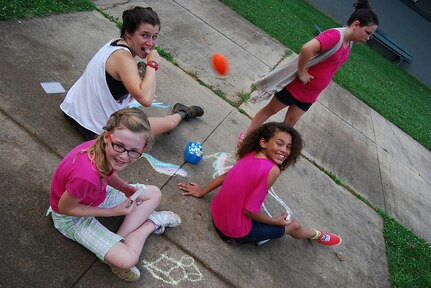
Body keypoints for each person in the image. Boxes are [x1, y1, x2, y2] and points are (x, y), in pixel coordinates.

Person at [49, 108, 181, 282]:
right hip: (70, 218)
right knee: (128, 260)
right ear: (106, 136)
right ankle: (150, 225)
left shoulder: (102, 148)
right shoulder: (86, 176)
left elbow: (107, 172)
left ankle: (119, 239)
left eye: (134, 151)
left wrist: (125, 188)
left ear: (143, 148)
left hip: (95, 195)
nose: (124, 156)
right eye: (119, 146)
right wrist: (112, 211)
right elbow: (63, 208)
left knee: (154, 193)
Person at [178, 122, 341, 246]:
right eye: (279, 143)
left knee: (259, 207)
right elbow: (250, 211)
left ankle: (264, 234)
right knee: (294, 225)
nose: (284, 150)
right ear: (264, 142)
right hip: (232, 233)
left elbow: (227, 176)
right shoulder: (272, 170)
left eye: (289, 147)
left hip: (216, 215)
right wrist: (275, 222)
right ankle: (316, 235)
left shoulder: (250, 153)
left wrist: (202, 191)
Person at [239, 0, 378, 145]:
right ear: (356, 24)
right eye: (367, 32)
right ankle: (246, 138)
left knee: (288, 126)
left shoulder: (349, 43)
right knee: (270, 110)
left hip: (310, 94)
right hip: (296, 87)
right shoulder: (335, 36)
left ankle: (273, 150)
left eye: (371, 35)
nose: (368, 38)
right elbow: (307, 48)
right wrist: (302, 72)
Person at [60, 6, 204, 141]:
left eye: (154, 37)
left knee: (135, 89)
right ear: (128, 32)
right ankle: (182, 112)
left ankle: (140, 74)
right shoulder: (124, 59)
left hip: (71, 110)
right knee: (169, 124)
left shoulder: (115, 43)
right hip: (95, 130)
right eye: (145, 35)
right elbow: (146, 100)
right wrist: (151, 65)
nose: (150, 43)